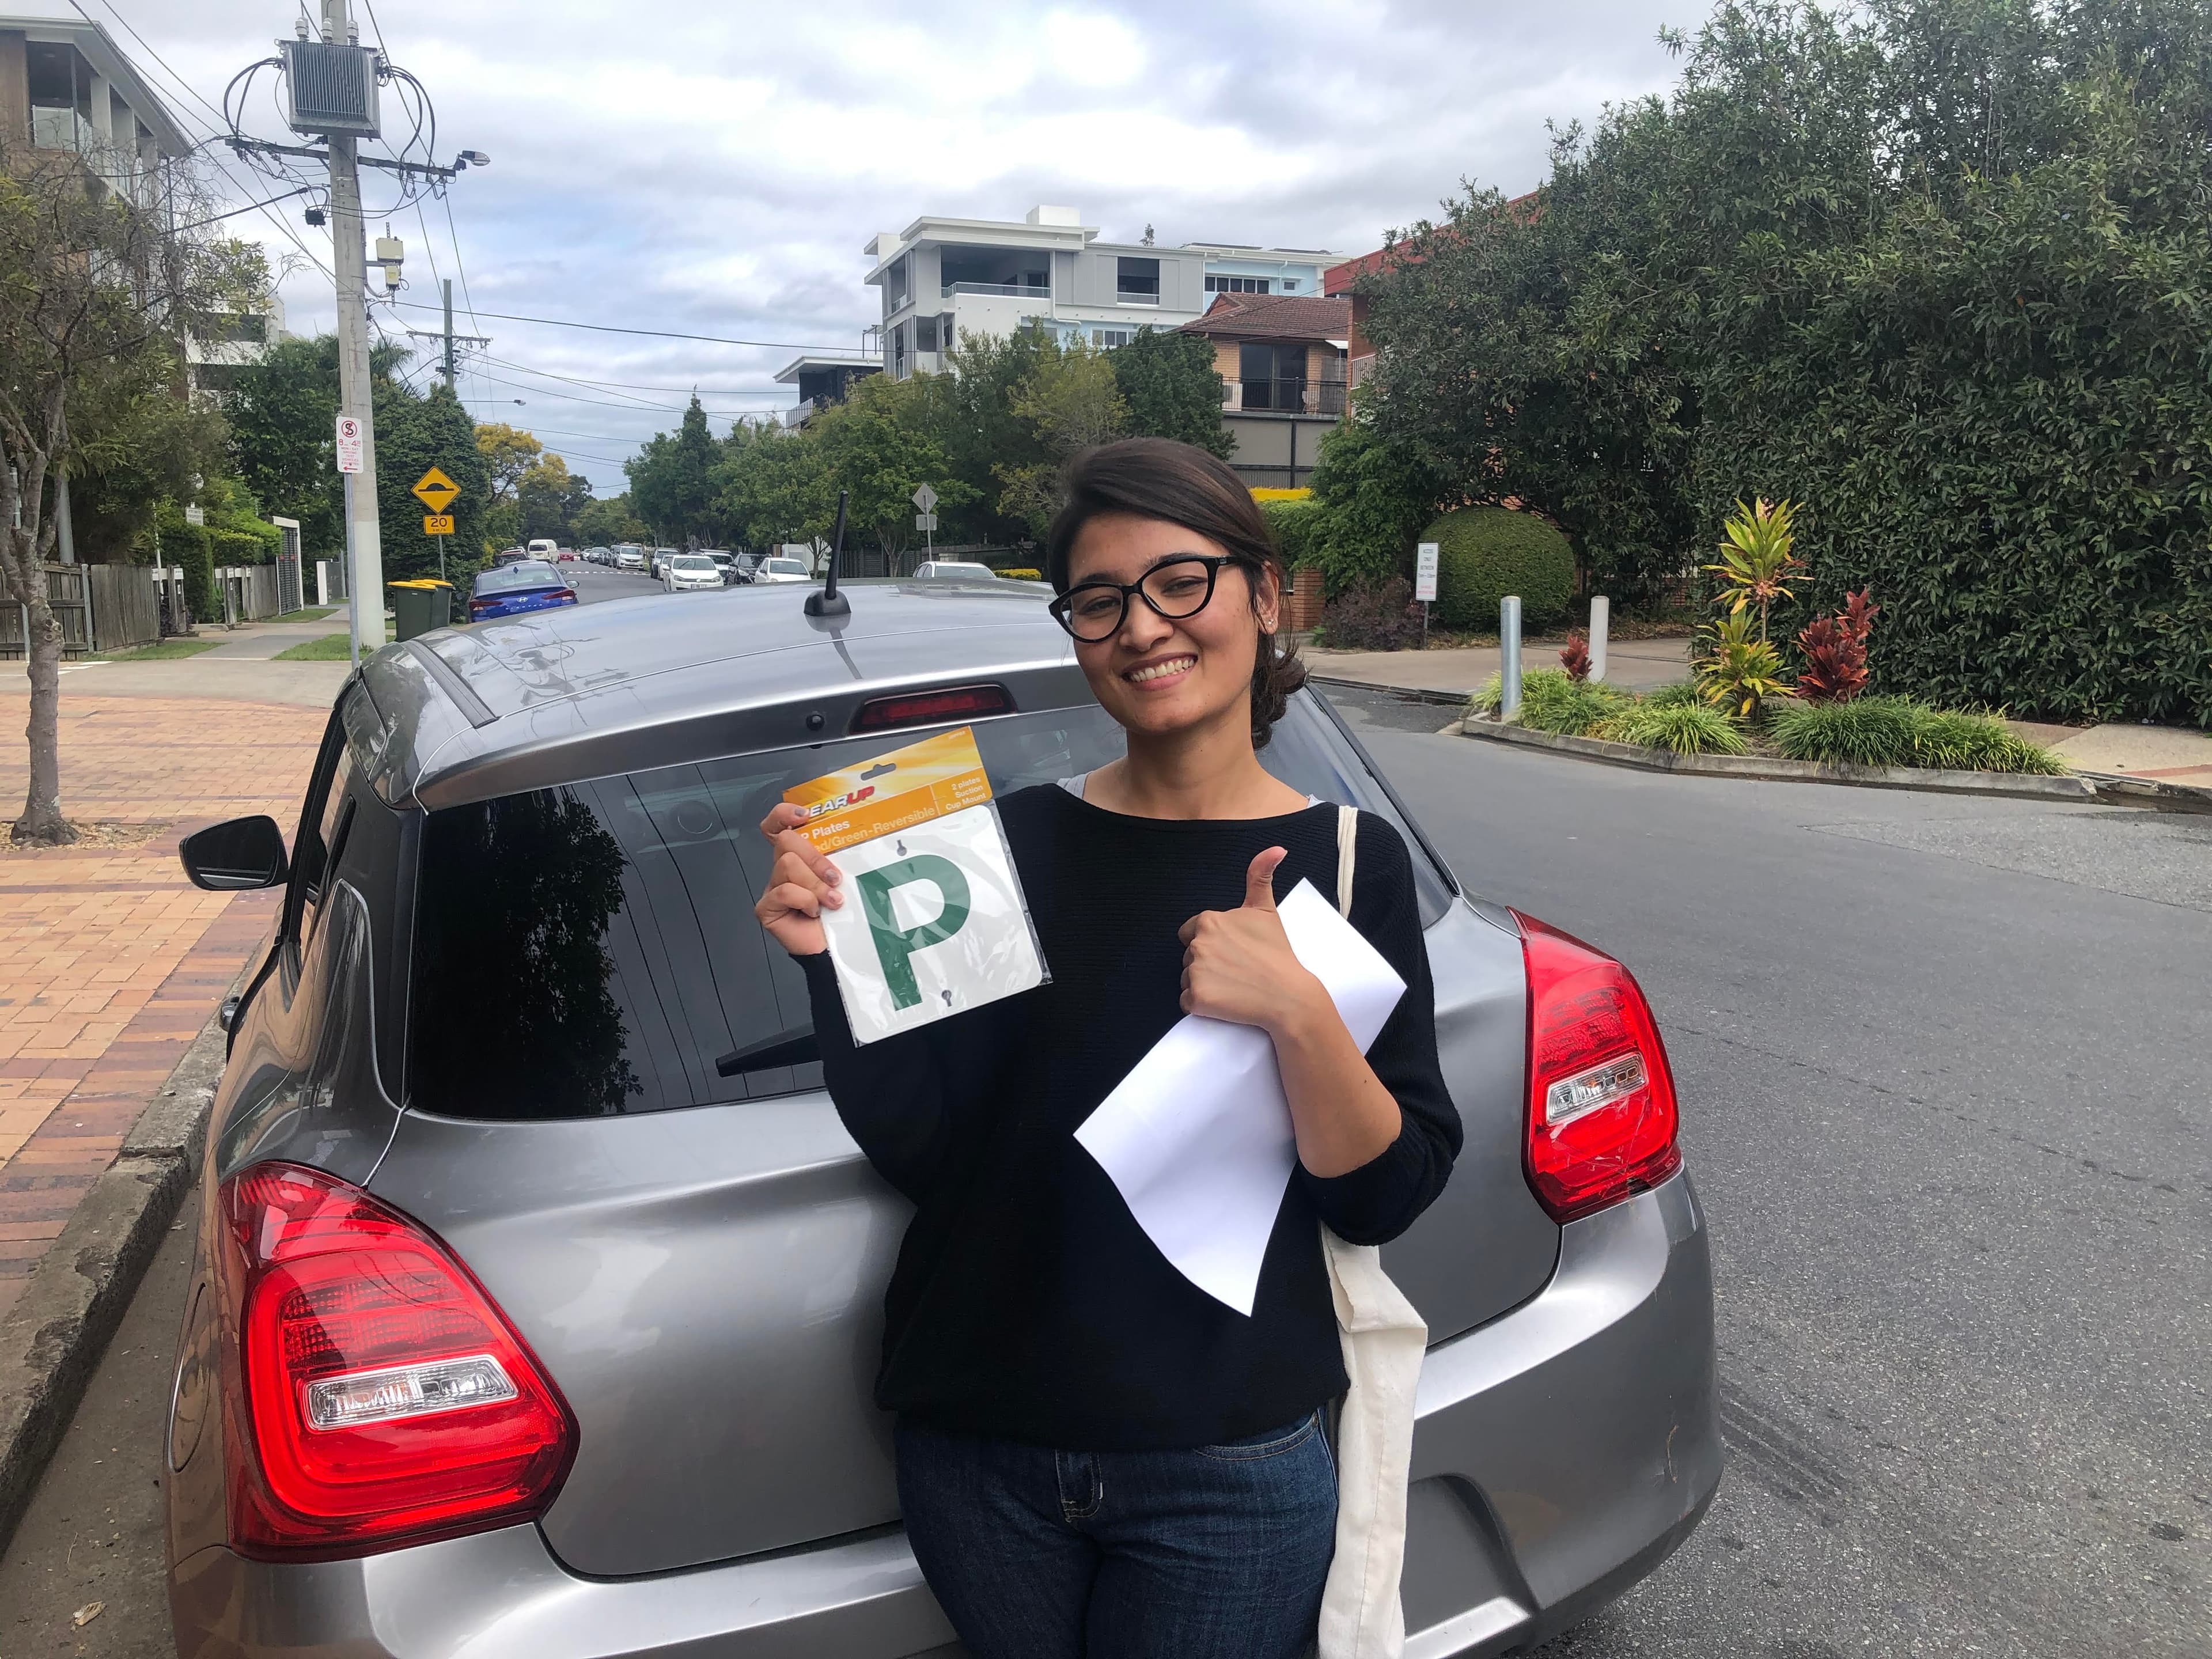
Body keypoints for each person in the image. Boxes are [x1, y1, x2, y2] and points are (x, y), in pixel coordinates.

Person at [751, 437, 1460, 1659]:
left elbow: (1385, 1191)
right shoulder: (1006, 846)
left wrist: (1295, 1010)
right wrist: (836, 974)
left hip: (1228, 1467)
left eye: (1180, 581)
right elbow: (937, 1147)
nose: (1143, 628)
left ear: (1264, 594)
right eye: (1100, 600)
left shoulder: (1350, 863)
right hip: (981, 1451)